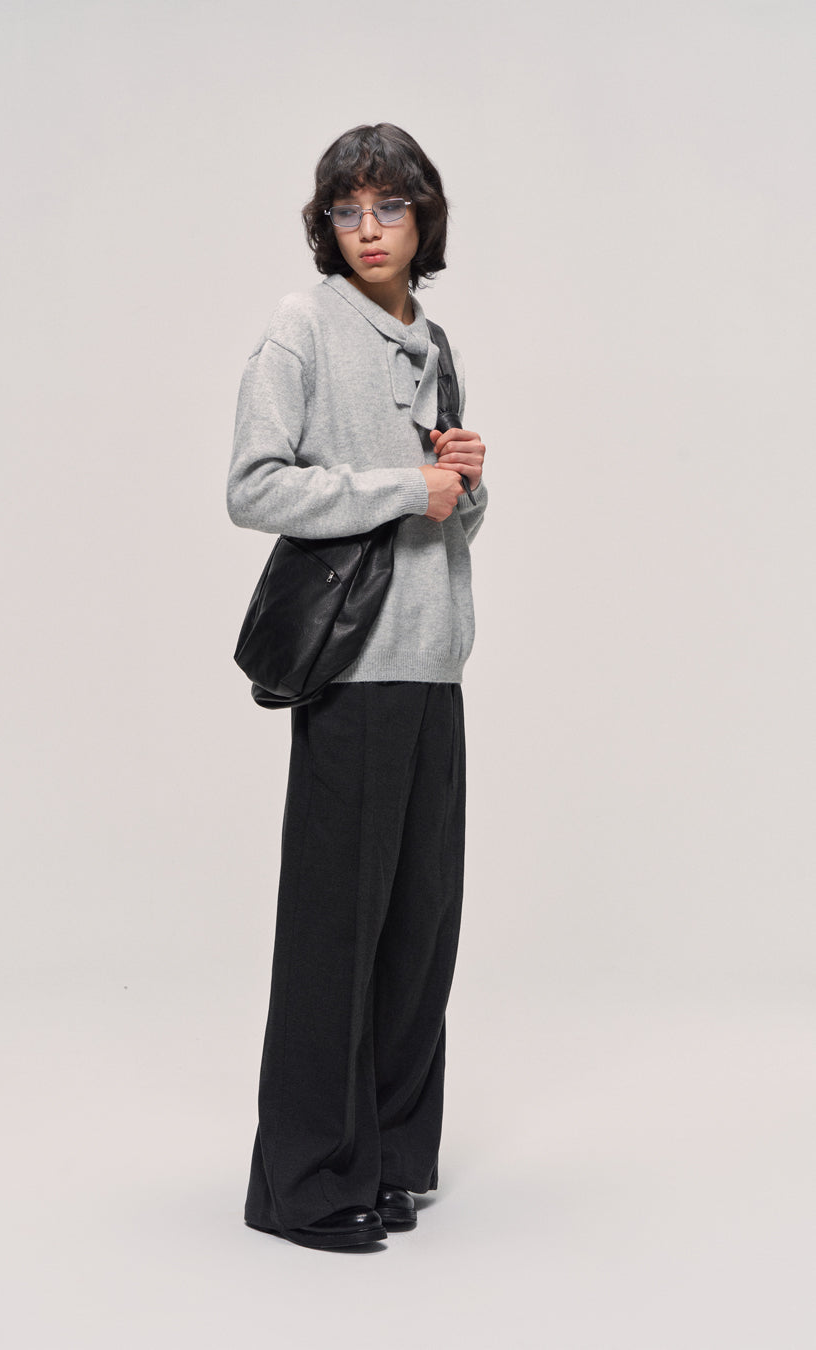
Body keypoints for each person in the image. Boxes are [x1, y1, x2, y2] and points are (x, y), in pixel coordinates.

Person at [227, 122, 488, 1250]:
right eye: (348, 210)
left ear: (425, 219)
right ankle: (305, 1182)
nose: (369, 229)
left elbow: (444, 512)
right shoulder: (302, 327)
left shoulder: (434, 340)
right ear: (326, 225)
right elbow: (253, 487)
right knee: (336, 932)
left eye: (389, 207)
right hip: (355, 668)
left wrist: (463, 484)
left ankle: (389, 1158)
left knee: (419, 934)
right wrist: (402, 485)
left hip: (434, 667)